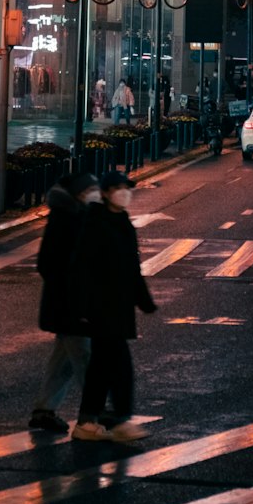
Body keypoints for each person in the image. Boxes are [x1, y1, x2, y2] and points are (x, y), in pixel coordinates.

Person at [70, 170, 156, 442]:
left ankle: (89, 421)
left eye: (127, 188)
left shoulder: (123, 222)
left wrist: (144, 301)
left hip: (118, 306)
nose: (124, 192)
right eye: (118, 188)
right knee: (118, 366)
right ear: (106, 193)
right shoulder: (96, 223)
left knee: (101, 367)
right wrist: (82, 307)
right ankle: (119, 420)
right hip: (102, 307)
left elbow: (132, 268)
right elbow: (82, 268)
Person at [29, 172, 100, 433]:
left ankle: (44, 410)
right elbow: (47, 264)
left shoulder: (80, 215)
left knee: (65, 361)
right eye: (89, 189)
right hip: (69, 306)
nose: (94, 193)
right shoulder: (65, 219)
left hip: (73, 305)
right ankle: (98, 416)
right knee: (86, 360)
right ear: (78, 193)